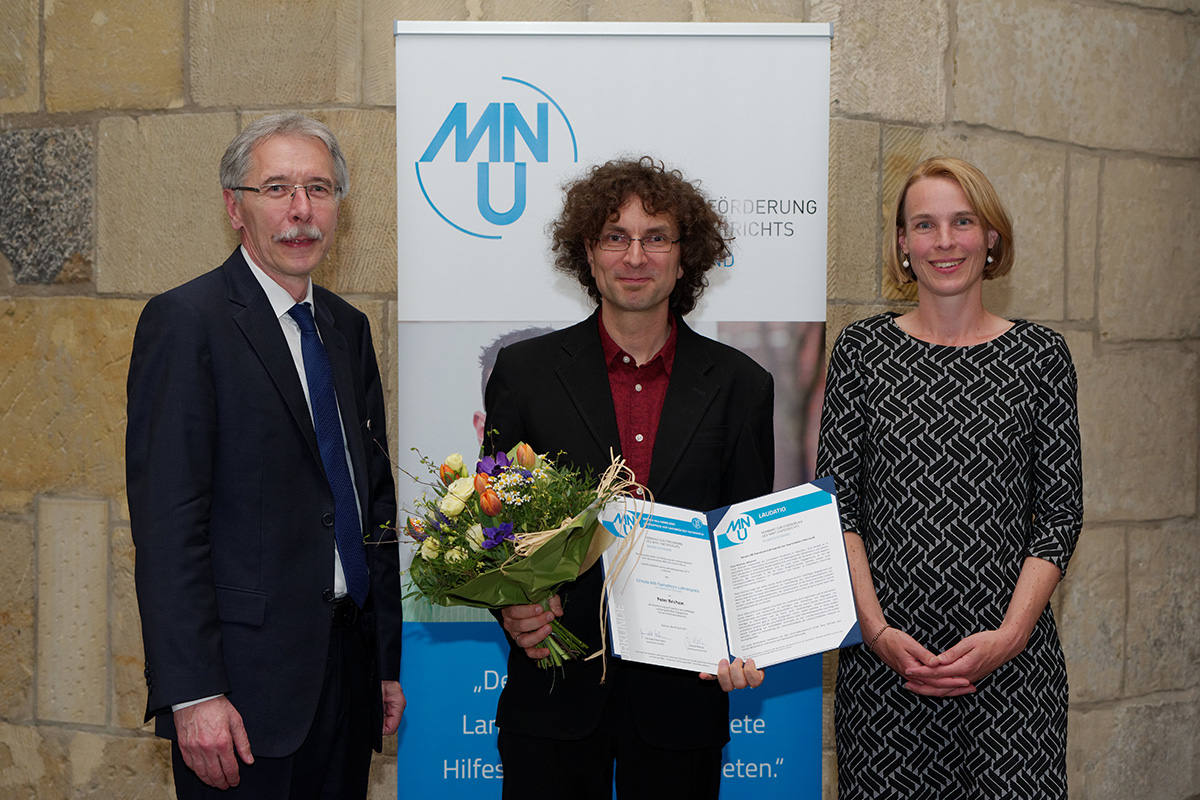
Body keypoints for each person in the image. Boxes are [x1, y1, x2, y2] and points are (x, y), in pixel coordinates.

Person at [126, 112, 405, 799]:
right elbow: (169, 527)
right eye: (277, 188)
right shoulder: (187, 322)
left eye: (319, 188)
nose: (301, 210)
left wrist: (383, 663)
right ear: (235, 208)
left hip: (345, 677)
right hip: (242, 698)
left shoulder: (346, 327)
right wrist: (193, 694)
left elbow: (371, 503)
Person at [483, 157, 774, 799]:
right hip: (553, 687)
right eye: (616, 236)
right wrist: (511, 603)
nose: (635, 256)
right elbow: (491, 516)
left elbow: (744, 540)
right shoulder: (525, 374)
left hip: (684, 699)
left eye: (656, 237)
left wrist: (746, 637)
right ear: (588, 252)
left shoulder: (741, 386)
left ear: (684, 255)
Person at [816, 156, 1083, 798]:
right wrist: (875, 633)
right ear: (903, 245)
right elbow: (837, 506)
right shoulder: (863, 351)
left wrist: (1011, 636)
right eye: (924, 225)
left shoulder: (1040, 358)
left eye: (962, 222)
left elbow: (1059, 515)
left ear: (991, 237)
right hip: (888, 671)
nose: (944, 242)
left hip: (1012, 674)